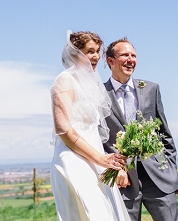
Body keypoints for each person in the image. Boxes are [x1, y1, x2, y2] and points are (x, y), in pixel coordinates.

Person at [50, 31, 130, 220]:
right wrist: (99, 158)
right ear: (75, 53)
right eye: (89, 51)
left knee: (107, 213)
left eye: (97, 51)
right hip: (73, 159)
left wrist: (107, 162)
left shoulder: (92, 85)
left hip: (96, 161)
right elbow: (63, 129)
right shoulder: (64, 80)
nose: (95, 56)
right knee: (91, 213)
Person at [103, 37, 178, 221]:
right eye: (125, 55)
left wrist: (170, 172)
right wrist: (114, 169)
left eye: (134, 55)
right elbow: (99, 138)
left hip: (158, 177)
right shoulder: (99, 94)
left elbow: (165, 134)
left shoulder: (151, 89)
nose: (131, 59)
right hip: (122, 180)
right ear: (110, 61)